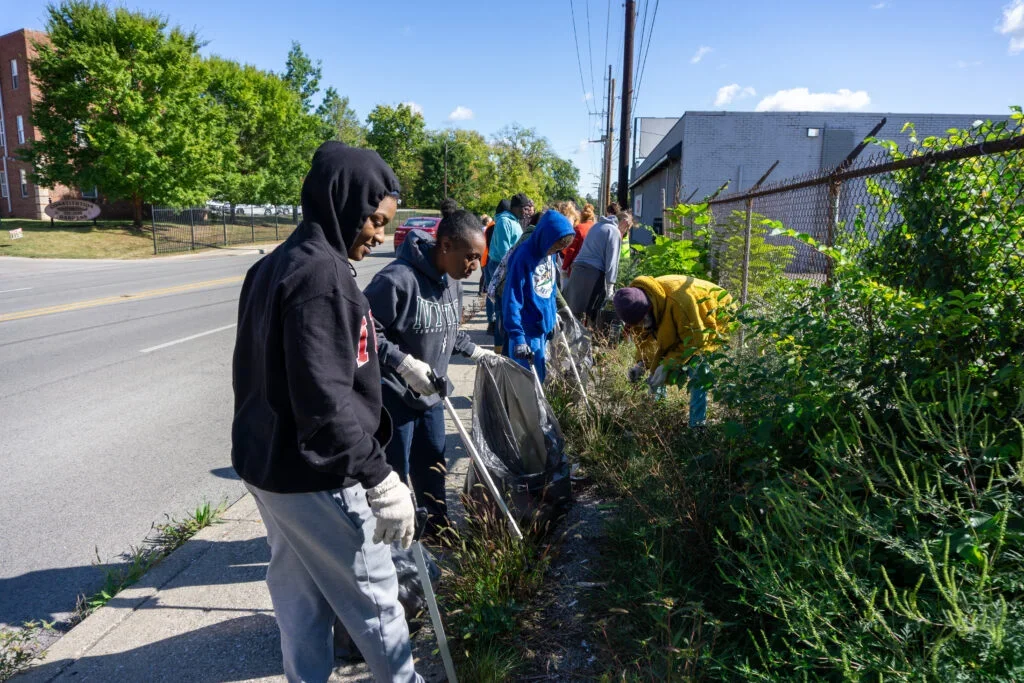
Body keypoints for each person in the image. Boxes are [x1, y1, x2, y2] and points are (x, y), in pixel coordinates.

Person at [232, 142, 422, 683]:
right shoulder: (322, 277)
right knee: (376, 598)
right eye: (376, 220)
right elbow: (324, 397)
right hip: (314, 472)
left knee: (299, 599)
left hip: (268, 465)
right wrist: (379, 477)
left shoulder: (275, 266)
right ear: (343, 203)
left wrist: (396, 360)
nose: (380, 235)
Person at [363, 210, 494, 540]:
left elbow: (447, 328)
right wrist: (404, 364)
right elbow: (362, 330)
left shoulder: (452, 280)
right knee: (397, 470)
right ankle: (393, 541)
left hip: (432, 395)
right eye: (471, 257)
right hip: (396, 398)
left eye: (478, 259)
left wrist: (474, 351)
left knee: (434, 462)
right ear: (446, 245)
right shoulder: (396, 280)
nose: (475, 266)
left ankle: (436, 527)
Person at [612, 275, 732, 428]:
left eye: (642, 321)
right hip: (687, 325)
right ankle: (659, 415)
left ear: (649, 308)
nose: (641, 326)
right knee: (659, 367)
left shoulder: (680, 302)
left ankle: (697, 426)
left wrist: (668, 364)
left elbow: (696, 341)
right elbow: (645, 341)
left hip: (715, 312)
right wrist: (641, 364)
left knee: (697, 368)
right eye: (637, 324)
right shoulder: (634, 306)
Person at [501, 210, 575, 381]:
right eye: (554, 247)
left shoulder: (550, 254)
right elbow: (512, 298)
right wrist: (518, 337)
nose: (555, 251)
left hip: (540, 329)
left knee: (539, 379)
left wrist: (553, 314)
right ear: (545, 237)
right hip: (525, 331)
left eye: (559, 248)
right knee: (526, 385)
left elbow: (548, 288)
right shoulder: (523, 256)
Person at [565, 206, 633, 323]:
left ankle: (570, 339)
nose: (625, 232)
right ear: (624, 223)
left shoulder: (597, 226)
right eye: (627, 229)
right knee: (591, 315)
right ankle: (588, 339)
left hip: (577, 270)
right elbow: (611, 262)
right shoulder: (614, 231)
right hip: (593, 274)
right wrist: (610, 287)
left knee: (573, 313)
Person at [482, 199, 510, 334]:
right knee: (495, 294)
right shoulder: (500, 225)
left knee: (490, 292)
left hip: (486, 261)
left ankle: (490, 322)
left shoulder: (492, 225)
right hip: (494, 262)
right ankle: (494, 324)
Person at [561, 202, 597, 276]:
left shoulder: (579, 228)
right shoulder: (597, 228)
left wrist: (564, 267)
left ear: (581, 216)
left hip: (577, 268)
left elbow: (571, 250)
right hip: (594, 268)